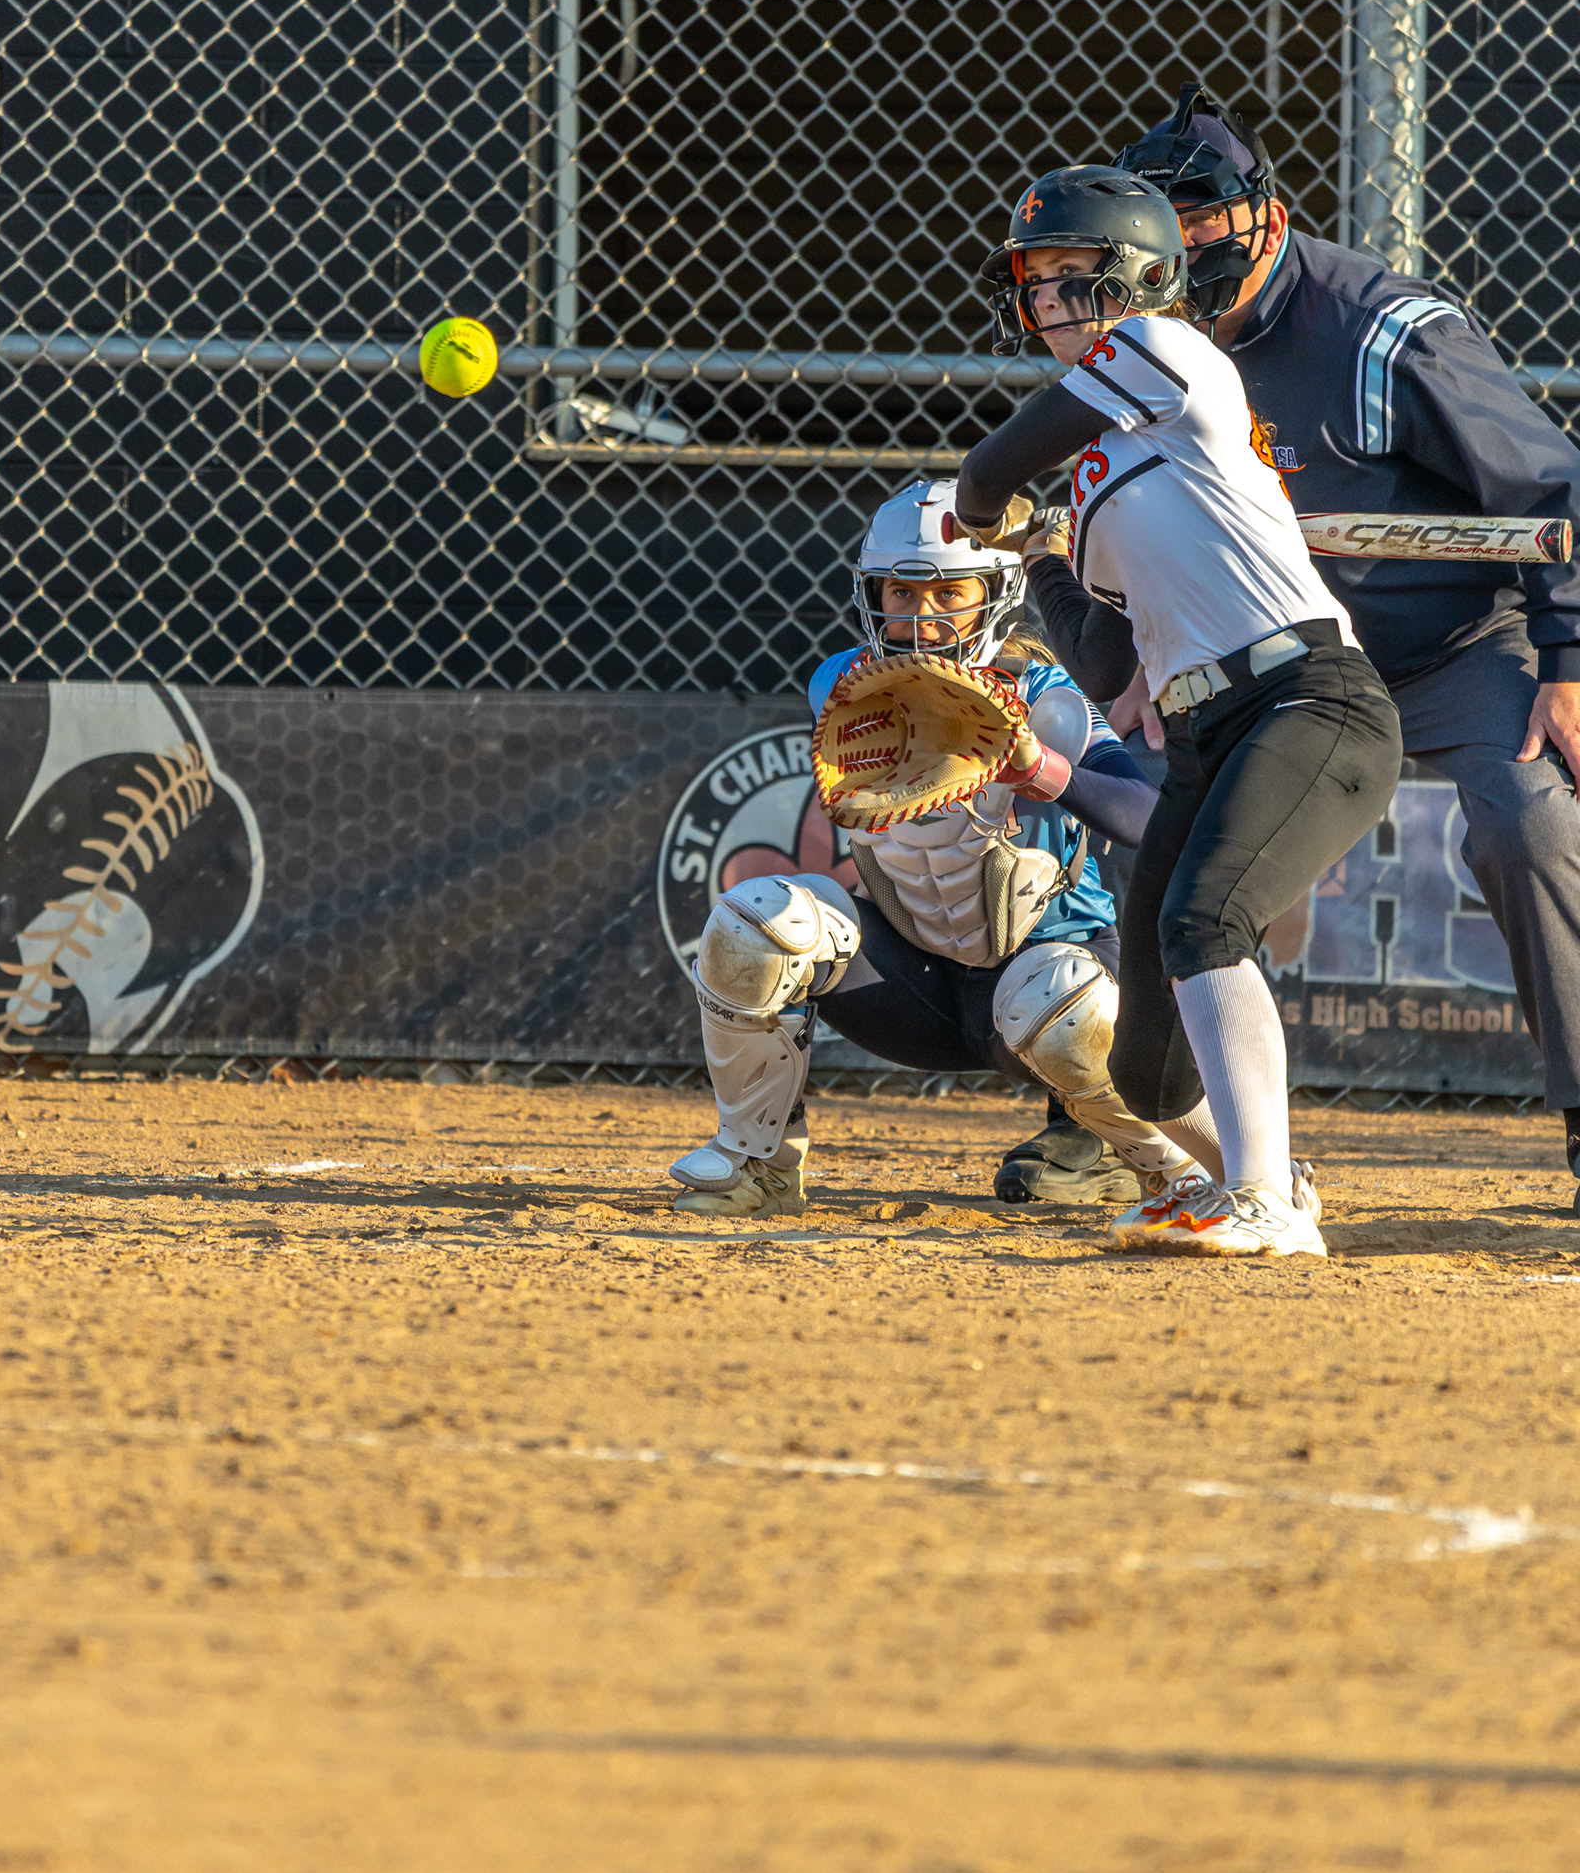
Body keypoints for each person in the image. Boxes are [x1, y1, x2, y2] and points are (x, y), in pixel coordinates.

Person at [1117, 86, 1580, 1200]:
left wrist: (1570, 661)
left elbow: (1553, 488)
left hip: (1452, 643)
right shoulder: (1140, 340)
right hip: (1277, 659)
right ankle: (1115, 1116)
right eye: (1161, 227)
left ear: (1268, 217)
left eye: (1203, 219)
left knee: (1530, 822)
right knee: (1130, 802)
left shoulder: (1383, 333)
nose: (1184, 248)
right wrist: (1137, 649)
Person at [954, 166, 1404, 1258]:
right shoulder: (1103, 474)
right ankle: (1268, 1174)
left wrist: (984, 501)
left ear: (1146, 276)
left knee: (1207, 923)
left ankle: (1262, 1202)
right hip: (1206, 732)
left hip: (1308, 696)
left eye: (1078, 273)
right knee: (1147, 1070)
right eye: (1039, 280)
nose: (1052, 297)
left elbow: (992, 465)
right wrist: (1043, 552)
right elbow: (1109, 659)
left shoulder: (1172, 351)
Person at [668, 475, 1225, 1218]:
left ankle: (1179, 1174)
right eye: (901, 592)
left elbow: (1146, 816)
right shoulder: (841, 683)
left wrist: (1040, 768)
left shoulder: (1046, 697)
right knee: (754, 924)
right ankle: (758, 1164)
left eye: (948, 593)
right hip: (914, 982)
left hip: (1039, 977)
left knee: (1062, 1003)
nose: (921, 617)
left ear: (994, 594)